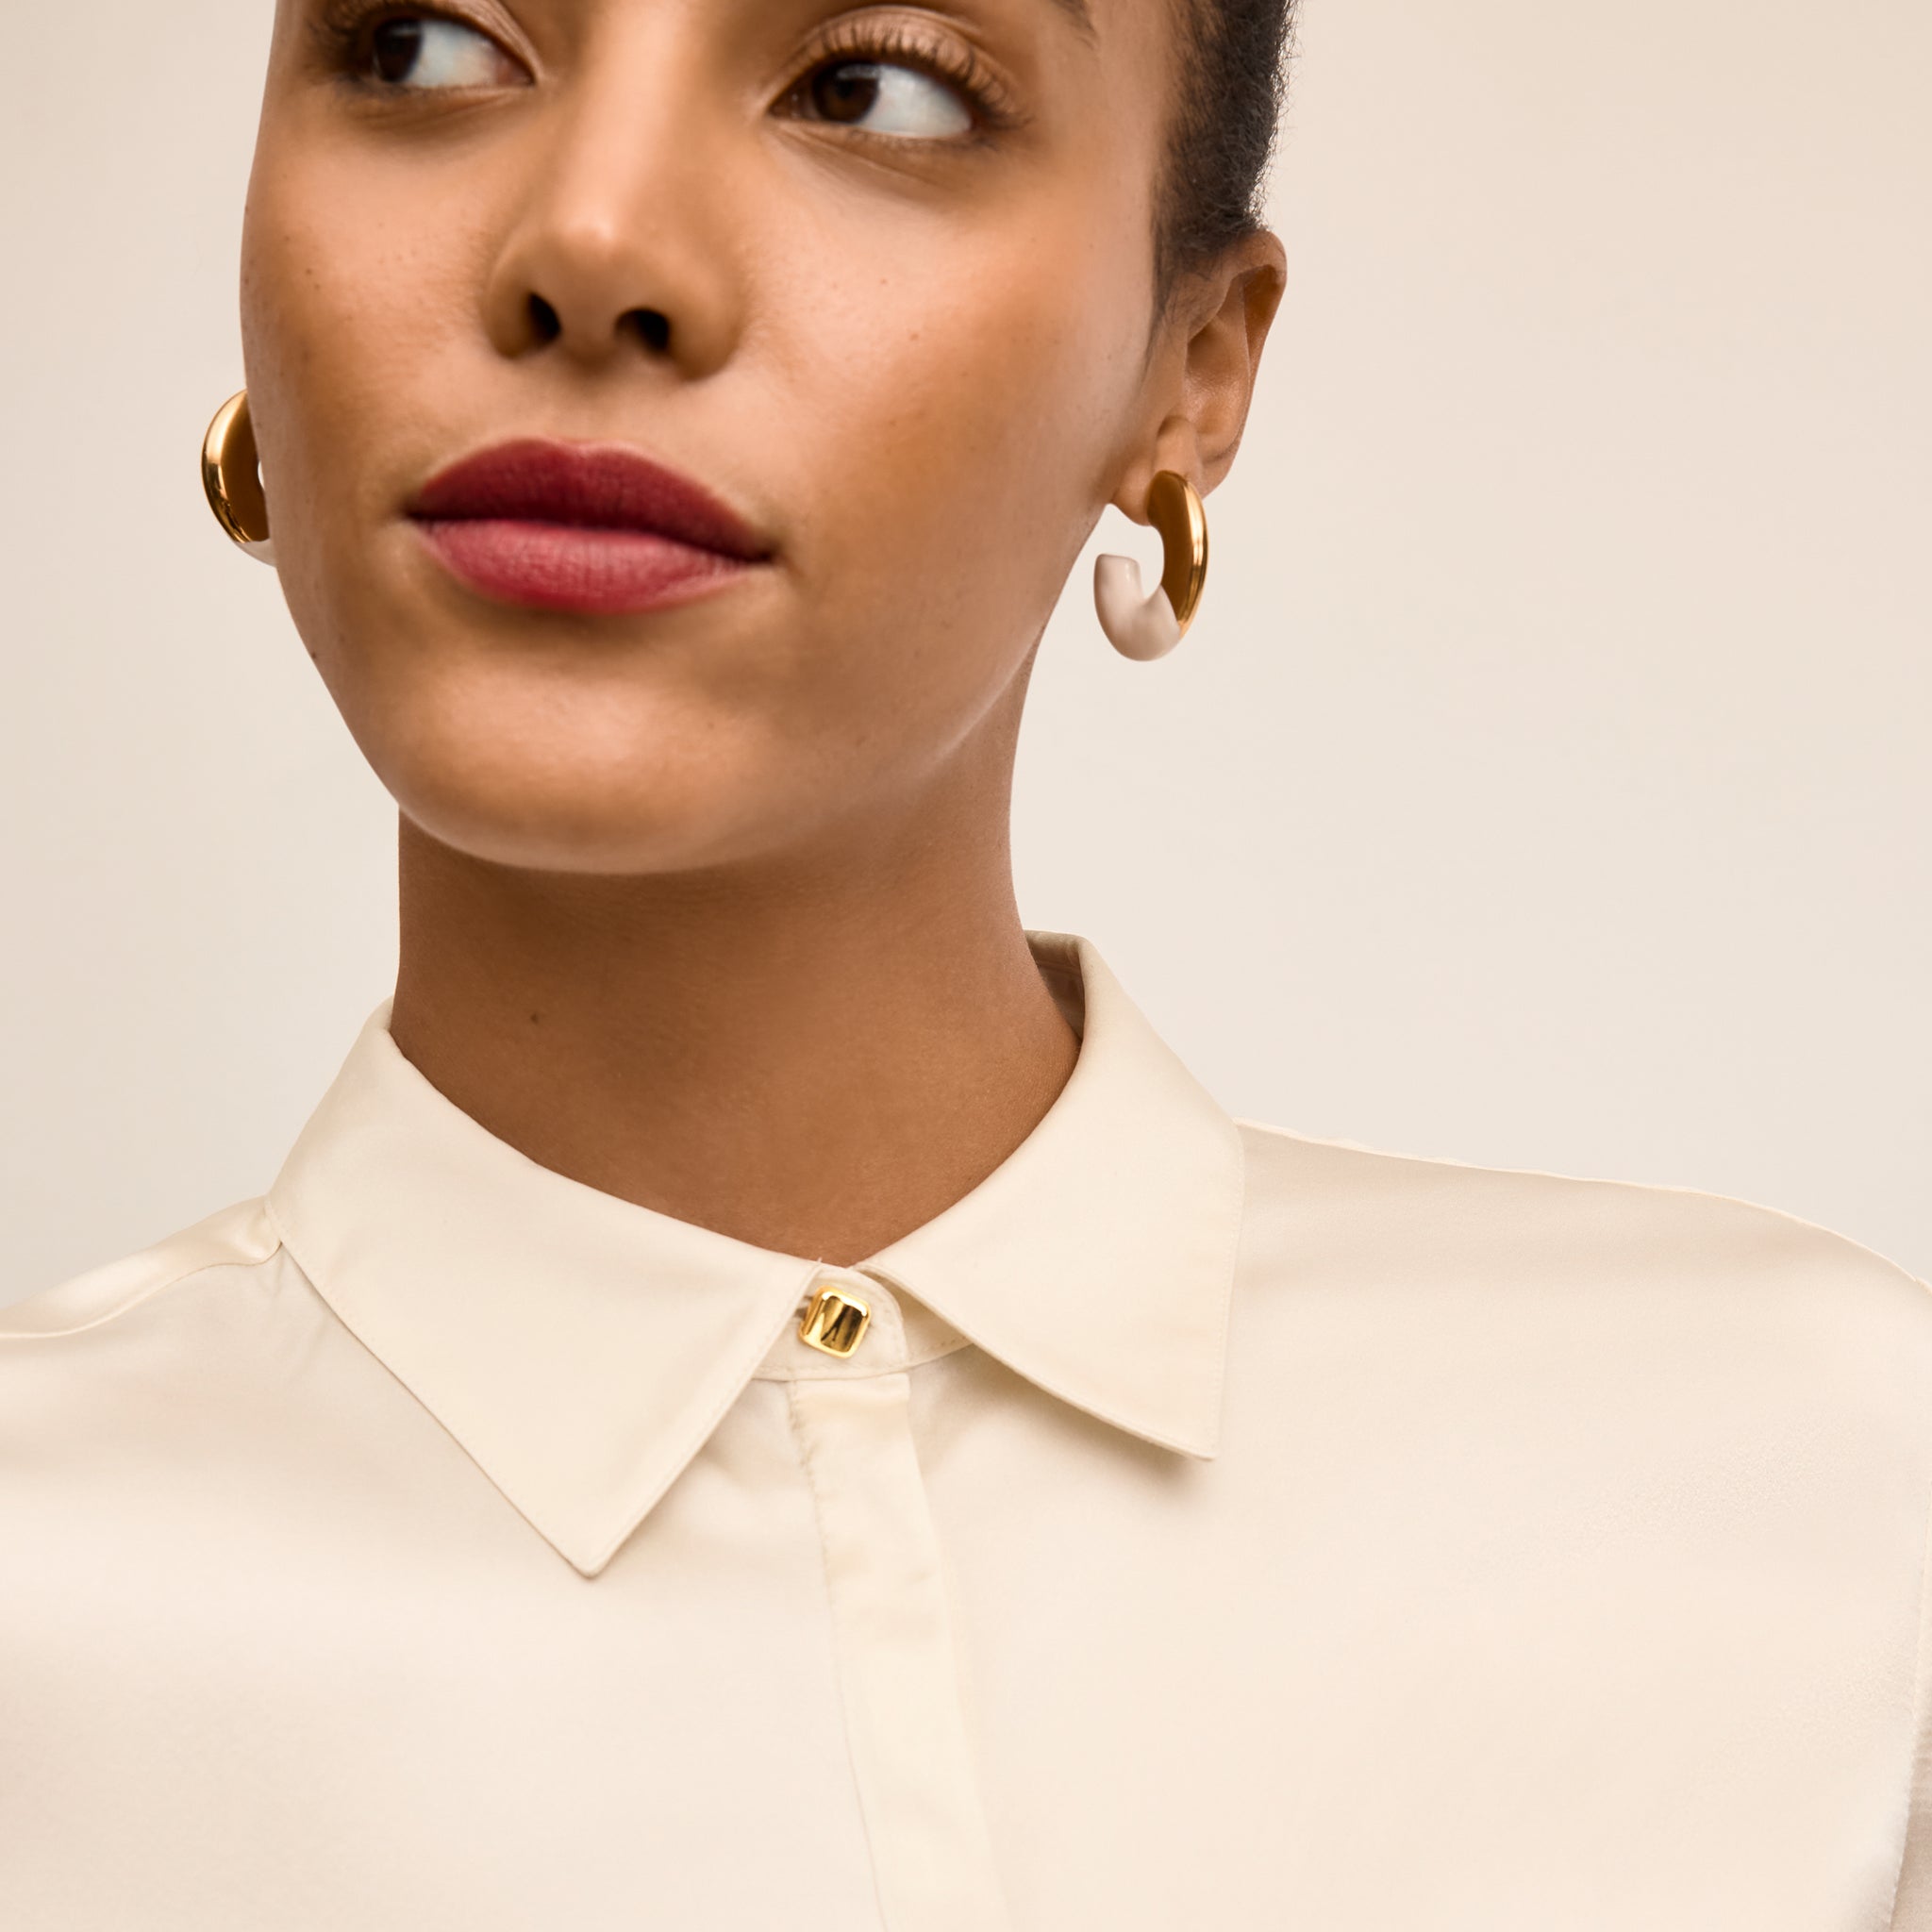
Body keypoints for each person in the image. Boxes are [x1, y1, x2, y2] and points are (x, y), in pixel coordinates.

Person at [4, 0, 1928, 1924]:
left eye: (874, 88)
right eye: (425, 48)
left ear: (1189, 373)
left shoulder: (1829, 1498)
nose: (588, 243)